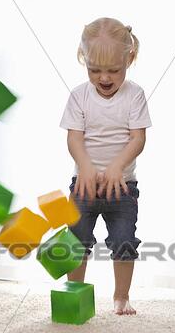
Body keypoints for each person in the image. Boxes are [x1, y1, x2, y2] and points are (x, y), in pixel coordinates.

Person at [60, 17, 152, 315]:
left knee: (124, 242)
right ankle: (74, 294)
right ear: (82, 58)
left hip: (122, 188)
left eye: (114, 70)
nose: (104, 78)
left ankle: (121, 296)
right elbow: (74, 139)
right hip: (84, 186)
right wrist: (84, 165)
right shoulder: (78, 96)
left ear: (130, 58)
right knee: (76, 242)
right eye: (94, 70)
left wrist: (117, 166)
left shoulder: (134, 95)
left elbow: (138, 139)